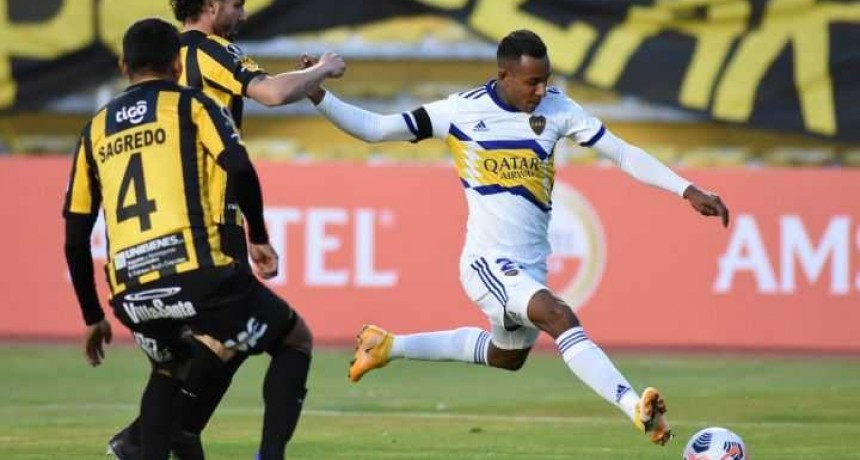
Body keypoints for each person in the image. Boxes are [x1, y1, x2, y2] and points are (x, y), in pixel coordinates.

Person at [301, 29, 730, 447]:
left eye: (546, 80)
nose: (541, 90)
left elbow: (621, 152)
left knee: (506, 356)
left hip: (530, 266)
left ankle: (387, 346)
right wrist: (318, 93)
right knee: (559, 316)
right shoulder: (459, 112)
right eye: (532, 82)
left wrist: (686, 189)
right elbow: (375, 127)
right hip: (486, 263)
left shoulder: (558, 108)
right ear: (504, 75)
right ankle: (636, 408)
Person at [107, 1, 346, 458]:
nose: (243, 14)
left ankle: (173, 431)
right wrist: (323, 69)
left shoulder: (159, 66)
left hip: (160, 226)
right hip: (213, 215)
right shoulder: (209, 48)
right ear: (211, 5)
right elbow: (271, 93)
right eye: (236, 4)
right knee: (249, 334)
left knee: (221, 341)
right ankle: (145, 436)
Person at [64, 17, 308, 460]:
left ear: (123, 66)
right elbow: (239, 168)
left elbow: (75, 238)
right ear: (178, 65)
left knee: (170, 367)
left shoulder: (94, 129)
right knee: (294, 339)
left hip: (131, 290)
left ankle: (147, 443)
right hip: (194, 270)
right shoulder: (193, 105)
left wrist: (92, 315)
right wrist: (258, 234)